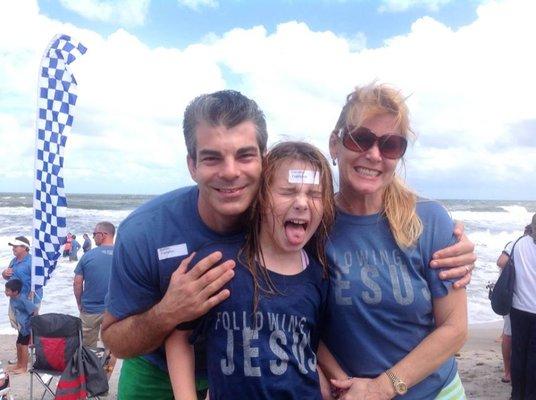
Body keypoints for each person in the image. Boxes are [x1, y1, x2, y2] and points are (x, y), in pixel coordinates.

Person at [102, 90, 475, 400]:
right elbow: (116, 341)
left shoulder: (307, 227)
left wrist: (353, 383)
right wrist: (168, 311)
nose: (230, 171)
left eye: (244, 155)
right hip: (157, 370)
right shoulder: (147, 230)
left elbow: (305, 331)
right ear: (191, 165)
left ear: (263, 164)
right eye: (212, 157)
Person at [321, 83, 468, 399]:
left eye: (390, 145)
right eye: (360, 138)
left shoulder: (430, 221)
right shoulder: (312, 228)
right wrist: (345, 384)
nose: (373, 155)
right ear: (335, 144)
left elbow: (455, 328)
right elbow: (301, 317)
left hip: (437, 392)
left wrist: (381, 387)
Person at [166, 141, 335, 399]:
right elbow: (179, 337)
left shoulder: (318, 275)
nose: (302, 203)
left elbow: (309, 342)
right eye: (288, 191)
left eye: (314, 194)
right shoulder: (217, 263)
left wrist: (339, 379)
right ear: (262, 196)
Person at [495, 224, 531, 385]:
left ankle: (510, 371)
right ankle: (508, 372)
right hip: (514, 300)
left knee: (512, 337)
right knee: (511, 337)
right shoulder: (516, 244)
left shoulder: (517, 244)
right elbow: (501, 262)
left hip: (518, 300)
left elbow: (501, 262)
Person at [73, 222, 115, 348]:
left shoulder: (88, 255)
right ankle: (108, 365)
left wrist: (79, 302)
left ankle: (90, 365)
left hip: (90, 309)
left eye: (94, 234)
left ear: (103, 235)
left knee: (87, 346)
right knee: (113, 346)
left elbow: (77, 283)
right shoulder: (122, 254)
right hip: (115, 309)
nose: (93, 237)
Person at [509, 214, 536, 400]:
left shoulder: (518, 243)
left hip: (517, 308)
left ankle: (516, 393)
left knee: (518, 352)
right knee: (533, 355)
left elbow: (504, 263)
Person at [4, 279, 37, 374]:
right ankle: (19, 364)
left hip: (27, 327)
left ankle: (24, 367)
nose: (5, 292)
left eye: (8, 290)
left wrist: (32, 325)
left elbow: (34, 310)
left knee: (24, 346)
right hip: (21, 327)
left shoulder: (22, 299)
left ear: (15, 292)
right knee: (18, 344)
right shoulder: (12, 299)